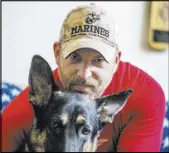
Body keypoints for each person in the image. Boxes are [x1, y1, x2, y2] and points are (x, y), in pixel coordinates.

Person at [1, 3, 166, 152]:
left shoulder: (146, 96)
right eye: (75, 57)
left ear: (116, 61)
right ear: (58, 54)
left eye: (98, 60)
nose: (84, 74)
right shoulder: (34, 103)